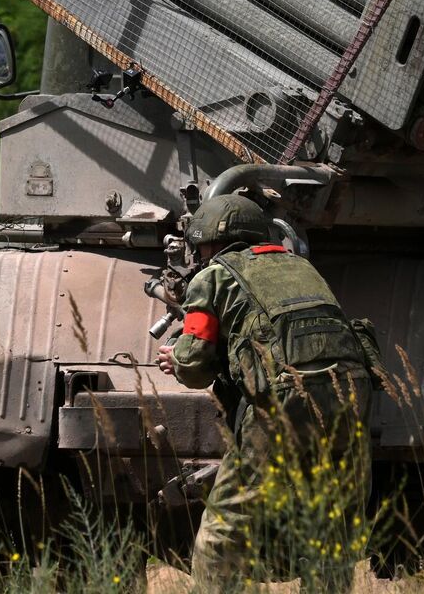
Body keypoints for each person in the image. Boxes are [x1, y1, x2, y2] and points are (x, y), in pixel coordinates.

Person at [154, 193, 376, 591]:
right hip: (351, 396)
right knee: (330, 530)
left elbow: (192, 368)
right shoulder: (299, 266)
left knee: (222, 535)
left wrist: (176, 359)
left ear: (209, 240)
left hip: (283, 406)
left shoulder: (212, 277)